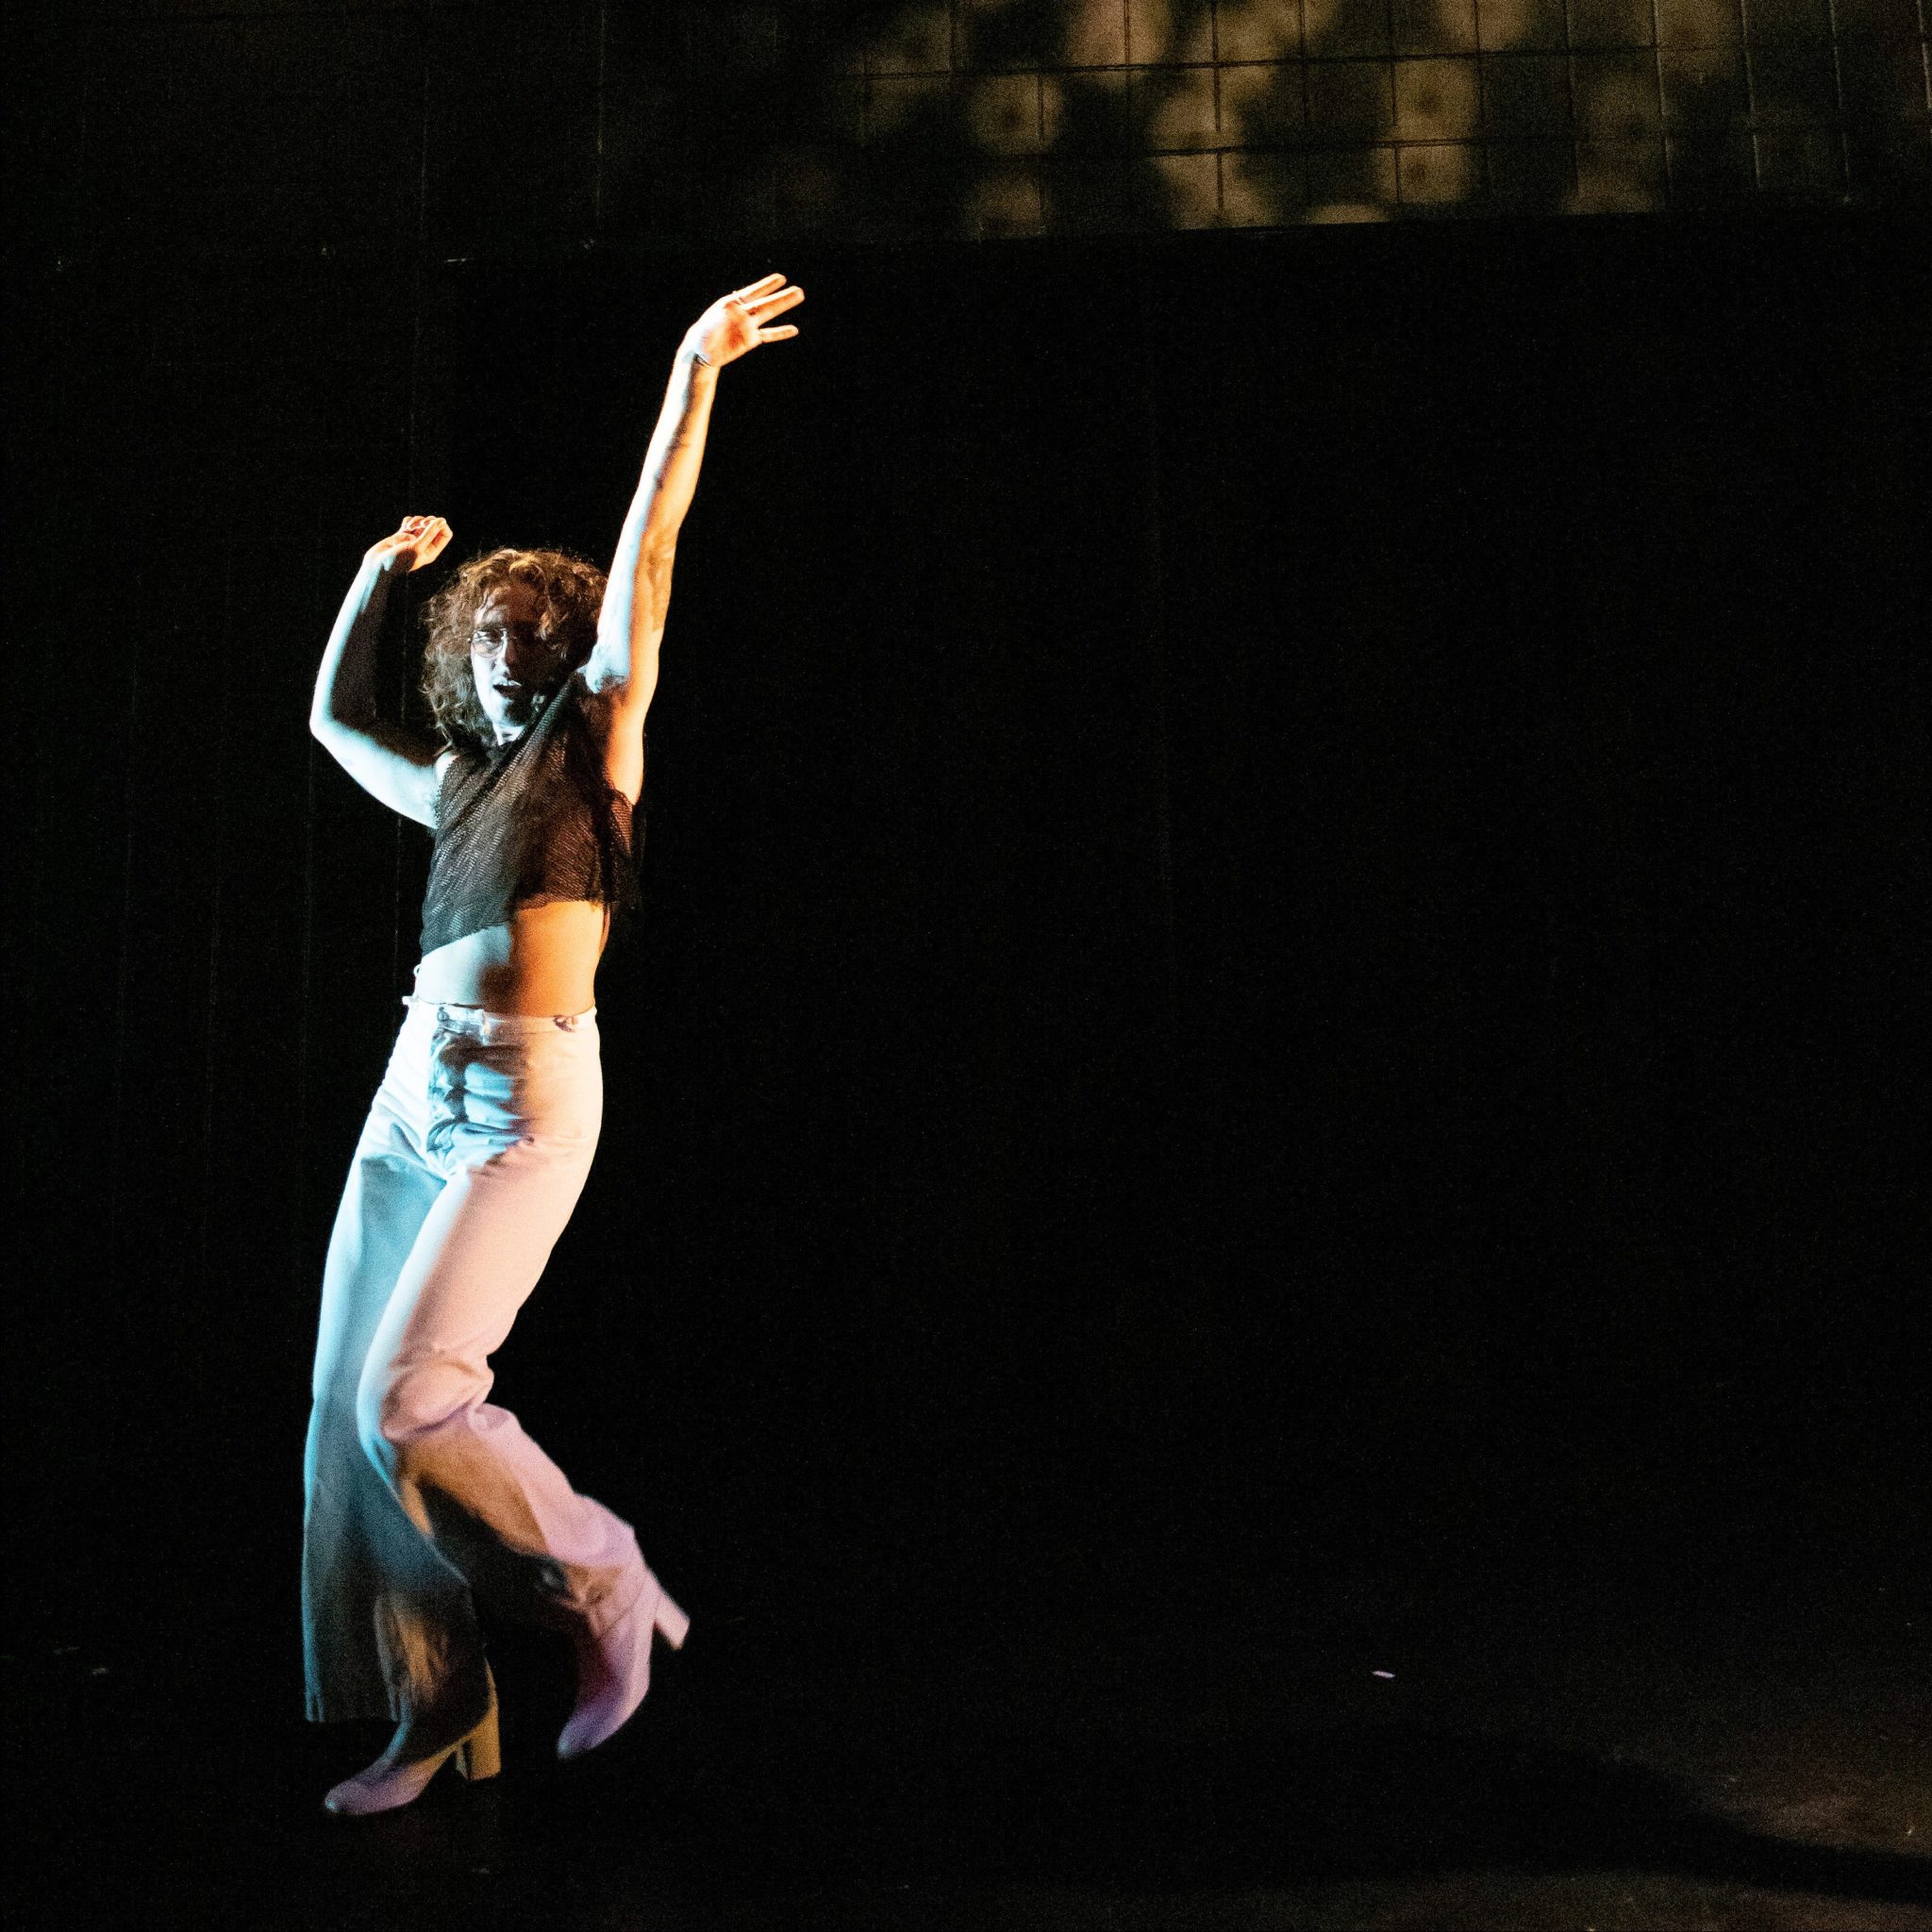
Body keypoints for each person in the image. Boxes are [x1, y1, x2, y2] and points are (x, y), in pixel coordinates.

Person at [301, 273, 804, 1816]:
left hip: (528, 1091)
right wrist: (376, 582)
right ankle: (439, 1703)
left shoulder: (597, 748)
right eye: (497, 631)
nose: (521, 648)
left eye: (543, 627)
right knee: (344, 1417)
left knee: (415, 1401)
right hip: (413, 1084)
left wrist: (690, 371)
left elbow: (650, 549)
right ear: (469, 651)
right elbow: (329, 721)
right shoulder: (455, 780)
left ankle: (606, 1581)